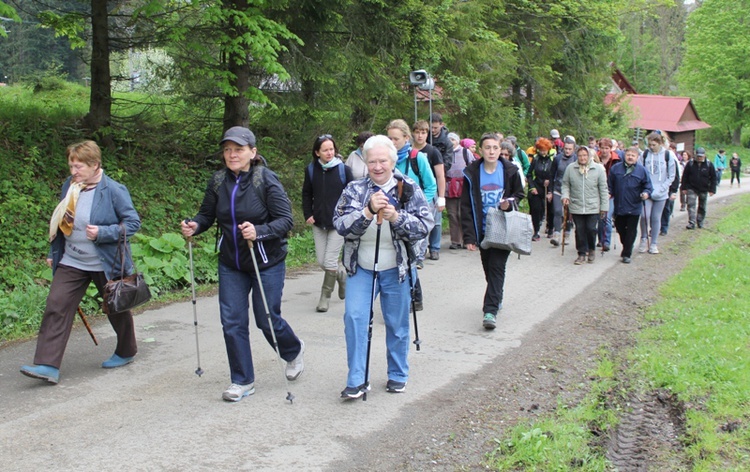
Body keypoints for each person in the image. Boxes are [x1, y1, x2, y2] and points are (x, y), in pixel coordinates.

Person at [181, 126, 304, 402]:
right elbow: (206, 215)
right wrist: (194, 226)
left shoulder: (266, 180)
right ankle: (242, 380)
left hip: (266, 261)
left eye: (238, 149)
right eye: (227, 149)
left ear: (253, 152)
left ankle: (293, 351)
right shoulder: (217, 181)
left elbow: (286, 221)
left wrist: (258, 231)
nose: (232, 154)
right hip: (231, 262)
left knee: (267, 319)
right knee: (232, 322)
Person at [20, 140, 141, 385]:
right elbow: (61, 221)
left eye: (79, 166)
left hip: (105, 263)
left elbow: (133, 224)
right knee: (57, 304)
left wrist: (103, 233)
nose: (73, 171)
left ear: (95, 165)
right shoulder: (71, 186)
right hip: (72, 260)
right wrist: (54, 251)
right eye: (71, 166)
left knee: (116, 309)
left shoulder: (113, 190)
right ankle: (47, 365)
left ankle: (126, 350)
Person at [333, 135, 433, 399]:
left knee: (396, 323)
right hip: (362, 267)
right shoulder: (354, 190)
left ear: (392, 161)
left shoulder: (409, 188)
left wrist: (397, 217)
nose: (377, 166)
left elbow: (425, 227)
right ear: (365, 162)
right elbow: (340, 225)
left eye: (383, 161)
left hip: (396, 268)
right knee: (355, 318)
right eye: (372, 161)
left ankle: (398, 374)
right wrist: (367, 212)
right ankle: (357, 379)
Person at [461, 135, 524, 330]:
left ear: (500, 150)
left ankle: (490, 311)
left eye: (495, 148)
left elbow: (519, 195)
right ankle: (497, 295)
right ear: (480, 150)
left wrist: (508, 204)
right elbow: (466, 206)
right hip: (482, 230)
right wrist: (470, 236)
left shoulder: (510, 171)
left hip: (503, 229)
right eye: (487, 147)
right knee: (489, 269)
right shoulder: (472, 173)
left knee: (497, 267)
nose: (491, 151)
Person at [302, 134, 354, 312]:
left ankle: (325, 296)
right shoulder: (311, 170)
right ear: (317, 152)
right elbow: (307, 193)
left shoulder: (343, 170)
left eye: (332, 149)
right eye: (325, 150)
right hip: (318, 221)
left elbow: (353, 193)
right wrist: (307, 213)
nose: (329, 152)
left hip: (338, 223)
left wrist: (348, 215)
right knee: (322, 262)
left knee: (330, 261)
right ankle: (341, 275)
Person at [561, 146, 608, 265]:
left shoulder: (598, 169)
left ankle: (591, 250)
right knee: (580, 230)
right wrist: (565, 196)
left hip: (593, 206)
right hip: (576, 205)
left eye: (585, 155)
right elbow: (565, 184)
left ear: (589, 156)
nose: (582, 158)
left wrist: (604, 207)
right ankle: (581, 253)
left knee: (591, 229)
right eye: (580, 155)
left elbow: (603, 189)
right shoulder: (571, 168)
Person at [608, 147, 653, 263]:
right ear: (624, 155)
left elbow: (648, 186)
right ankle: (627, 245)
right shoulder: (615, 169)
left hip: (634, 206)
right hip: (619, 205)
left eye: (633, 155)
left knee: (631, 230)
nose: (630, 157)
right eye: (628, 155)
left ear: (637, 157)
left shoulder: (642, 170)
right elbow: (609, 185)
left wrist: (646, 193)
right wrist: (608, 193)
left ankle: (627, 253)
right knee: (620, 228)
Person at [636, 132, 676, 254]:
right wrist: (644, 188)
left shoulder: (668, 156)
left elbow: (671, 176)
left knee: (655, 217)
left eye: (653, 144)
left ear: (659, 143)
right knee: (644, 215)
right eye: (649, 144)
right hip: (647, 190)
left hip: (661, 192)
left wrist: (663, 188)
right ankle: (643, 239)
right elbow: (639, 171)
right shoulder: (645, 155)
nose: (651, 147)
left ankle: (653, 243)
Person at [412, 120, 446, 260]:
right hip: (412, 192)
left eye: (423, 132)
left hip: (429, 191)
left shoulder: (432, 151)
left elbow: (440, 175)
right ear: (413, 133)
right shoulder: (408, 151)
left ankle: (432, 249)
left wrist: (441, 197)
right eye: (417, 132)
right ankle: (416, 252)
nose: (420, 136)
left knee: (432, 222)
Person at [446, 132, 476, 249]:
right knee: (452, 214)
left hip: (463, 186)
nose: (451, 142)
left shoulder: (465, 152)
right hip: (449, 187)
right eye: (449, 140)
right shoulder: (445, 152)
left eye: (453, 140)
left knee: (463, 213)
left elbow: (473, 166)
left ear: (458, 141)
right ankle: (455, 241)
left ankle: (466, 239)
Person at [549, 136, 577, 246]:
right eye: (566, 148)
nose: (567, 151)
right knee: (557, 211)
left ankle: (567, 233)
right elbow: (551, 175)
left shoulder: (576, 159)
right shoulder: (557, 159)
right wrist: (550, 191)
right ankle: (556, 234)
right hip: (558, 188)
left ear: (574, 149)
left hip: (571, 190)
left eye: (570, 149)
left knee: (569, 213)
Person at [526, 137, 555, 240]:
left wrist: (550, 183)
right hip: (537, 186)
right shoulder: (535, 159)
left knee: (551, 209)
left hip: (549, 187)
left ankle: (550, 228)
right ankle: (536, 231)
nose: (543, 152)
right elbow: (529, 174)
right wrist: (532, 187)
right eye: (541, 150)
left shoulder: (552, 159)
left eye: (544, 150)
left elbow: (556, 174)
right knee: (536, 209)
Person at [681, 147, 716, 229]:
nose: (699, 158)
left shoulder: (709, 164)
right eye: (698, 156)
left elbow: (713, 178)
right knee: (691, 205)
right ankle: (692, 222)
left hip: (704, 189)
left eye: (701, 156)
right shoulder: (690, 164)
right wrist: (684, 188)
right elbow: (685, 176)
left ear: (704, 155)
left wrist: (712, 190)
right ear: (695, 155)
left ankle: (700, 221)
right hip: (691, 188)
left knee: (702, 206)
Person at [596, 138, 621, 251]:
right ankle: (600, 239)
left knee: (606, 217)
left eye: (607, 148)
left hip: (611, 193)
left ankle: (606, 242)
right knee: (599, 218)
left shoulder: (617, 160)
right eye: (602, 148)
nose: (604, 151)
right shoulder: (594, 159)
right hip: (596, 192)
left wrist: (612, 192)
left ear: (610, 149)